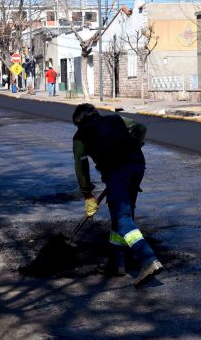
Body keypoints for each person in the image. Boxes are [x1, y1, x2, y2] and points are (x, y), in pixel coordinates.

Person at [72, 103, 163, 288]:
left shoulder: (80, 135)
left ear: (78, 123)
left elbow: (81, 165)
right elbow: (140, 128)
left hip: (117, 171)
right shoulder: (116, 119)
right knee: (121, 214)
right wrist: (132, 146)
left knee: (122, 218)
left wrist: (87, 193)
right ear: (96, 113)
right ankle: (116, 262)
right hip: (137, 165)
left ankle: (148, 259)